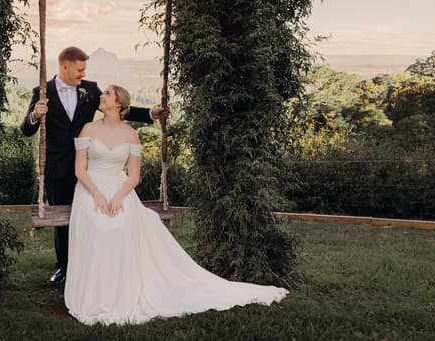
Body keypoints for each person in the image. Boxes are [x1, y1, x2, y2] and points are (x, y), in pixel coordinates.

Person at [65, 84, 288, 325]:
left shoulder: (130, 134)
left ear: (119, 103)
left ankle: (119, 292)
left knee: (121, 224)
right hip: (90, 187)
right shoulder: (89, 128)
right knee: (99, 225)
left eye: (107, 94)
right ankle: (94, 294)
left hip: (120, 189)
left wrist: (118, 196)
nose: (101, 96)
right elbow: (80, 169)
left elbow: (133, 176)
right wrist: (98, 195)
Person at [21, 46, 167, 286]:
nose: (83, 73)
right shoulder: (42, 91)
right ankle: (65, 268)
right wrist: (36, 115)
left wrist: (151, 113)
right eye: (79, 69)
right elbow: (26, 129)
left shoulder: (89, 90)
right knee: (63, 220)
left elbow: (118, 109)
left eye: (84, 69)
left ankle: (94, 263)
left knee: (92, 215)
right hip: (57, 167)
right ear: (64, 67)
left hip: (89, 164)